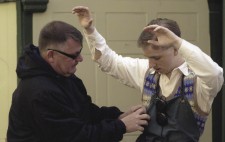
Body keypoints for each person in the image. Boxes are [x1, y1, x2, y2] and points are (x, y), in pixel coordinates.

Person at [72, 6, 224, 142]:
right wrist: (90, 31)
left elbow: (215, 74)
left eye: (156, 58)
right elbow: (109, 62)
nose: (151, 64)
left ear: (176, 49)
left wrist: (179, 42)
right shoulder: (147, 71)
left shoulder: (199, 81)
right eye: (148, 57)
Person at [7, 21, 150, 142]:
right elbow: (75, 137)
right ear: (51, 55)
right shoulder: (39, 93)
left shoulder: (64, 76)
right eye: (74, 55)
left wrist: (118, 116)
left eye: (79, 52)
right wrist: (121, 126)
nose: (80, 59)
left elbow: (85, 112)